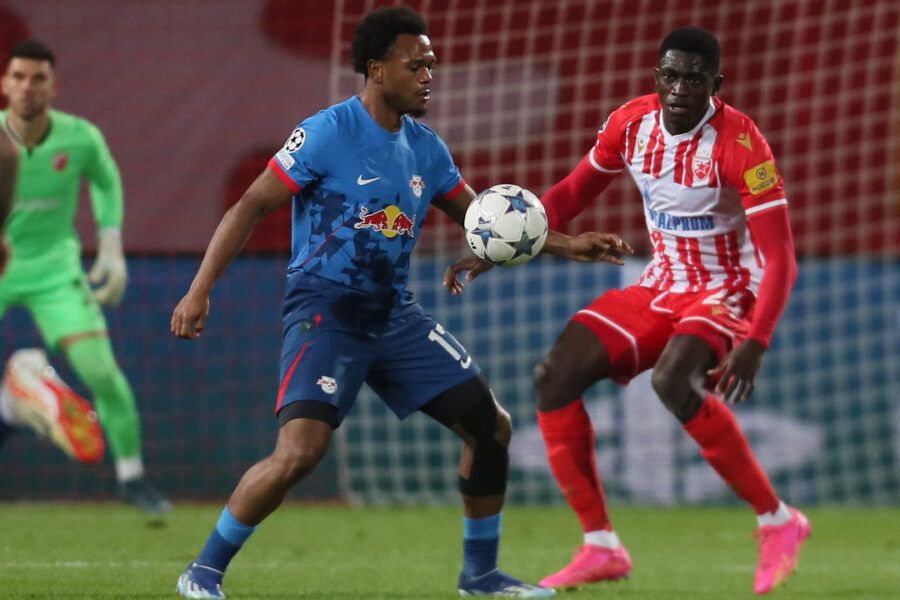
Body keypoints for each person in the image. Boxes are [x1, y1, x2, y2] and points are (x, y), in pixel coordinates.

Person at [170, 7, 630, 599]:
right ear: (376, 70)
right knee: (300, 453)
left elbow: (482, 221)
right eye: (416, 66)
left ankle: (481, 576)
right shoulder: (327, 132)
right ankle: (203, 570)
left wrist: (571, 245)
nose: (428, 76)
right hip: (326, 311)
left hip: (394, 314)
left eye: (431, 65)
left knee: (491, 430)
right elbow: (250, 206)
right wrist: (199, 288)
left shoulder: (426, 148)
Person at [517, 26, 807, 594]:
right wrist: (502, 241)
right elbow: (572, 194)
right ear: (657, 76)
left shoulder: (742, 145)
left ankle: (778, 521)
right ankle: (600, 545)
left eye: (693, 78)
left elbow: (782, 258)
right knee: (553, 378)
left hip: (727, 287)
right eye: (669, 75)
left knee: (674, 379)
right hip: (661, 283)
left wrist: (756, 342)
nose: (679, 88)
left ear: (714, 84)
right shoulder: (631, 123)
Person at [0, 40, 171, 514]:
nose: (27, 87)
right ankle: (12, 404)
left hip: (55, 269)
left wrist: (111, 243)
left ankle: (132, 476)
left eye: (37, 78)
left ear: (54, 85)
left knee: (102, 373)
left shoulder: (79, 138)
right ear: (4, 84)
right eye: (17, 76)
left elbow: (105, 179)